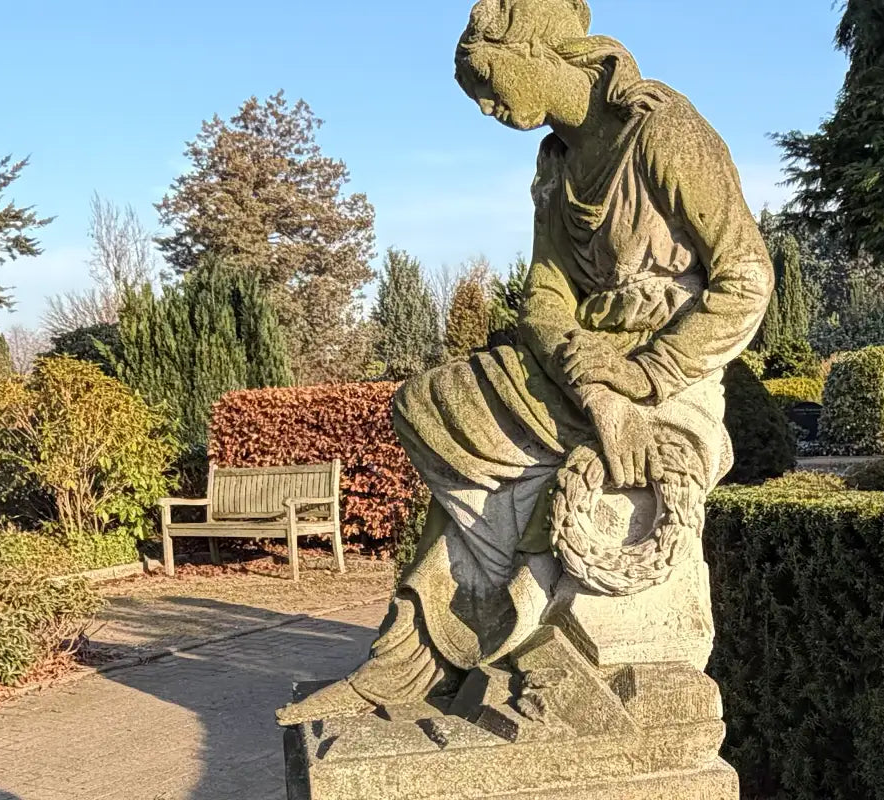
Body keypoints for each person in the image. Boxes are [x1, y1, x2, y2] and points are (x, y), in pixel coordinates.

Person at [277, 0, 770, 725]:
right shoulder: (556, 163)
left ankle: (442, 647)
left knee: (489, 456)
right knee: (427, 403)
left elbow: (747, 278)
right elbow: (544, 296)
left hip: (671, 377)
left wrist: (640, 378)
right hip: (582, 368)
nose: (484, 107)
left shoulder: (662, 131)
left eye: (486, 81)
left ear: (537, 50)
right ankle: (459, 632)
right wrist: (588, 379)